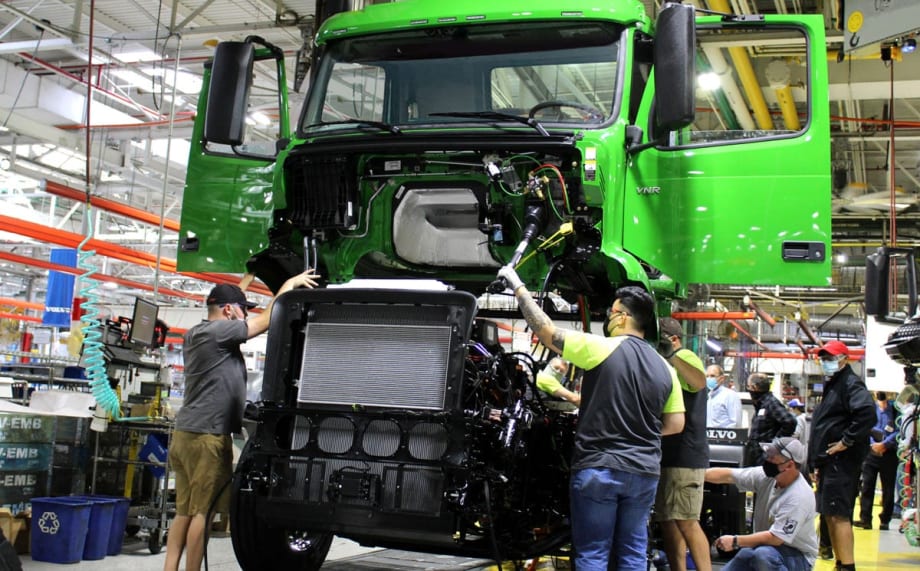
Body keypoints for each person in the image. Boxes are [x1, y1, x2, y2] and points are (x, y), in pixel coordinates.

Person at [497, 265, 685, 570]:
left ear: (623, 316)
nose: (609, 318)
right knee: (633, 554)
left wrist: (518, 287)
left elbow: (546, 331)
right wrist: (638, 430)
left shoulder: (600, 348)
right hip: (645, 473)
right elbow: (676, 424)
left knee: (593, 554)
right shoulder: (667, 369)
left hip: (600, 469)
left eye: (612, 312)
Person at [164, 270, 320, 571]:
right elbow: (262, 323)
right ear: (228, 310)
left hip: (185, 435)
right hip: (207, 437)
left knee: (184, 511)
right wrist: (287, 288)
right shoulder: (221, 333)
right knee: (203, 513)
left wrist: (246, 279)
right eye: (241, 309)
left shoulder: (195, 333)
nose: (243, 314)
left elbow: (230, 301)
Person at [807, 340, 875, 571]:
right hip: (829, 463)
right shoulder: (835, 384)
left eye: (830, 358)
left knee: (839, 515)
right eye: (823, 358)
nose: (825, 362)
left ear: (845, 359)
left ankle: (847, 566)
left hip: (841, 463)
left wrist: (846, 441)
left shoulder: (850, 383)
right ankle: (839, 562)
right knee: (829, 514)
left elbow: (866, 413)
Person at [706, 437, 818, 571]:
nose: (767, 460)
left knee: (763, 555)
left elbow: (776, 538)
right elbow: (729, 475)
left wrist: (735, 541)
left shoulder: (798, 496)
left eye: (772, 457)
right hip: (765, 547)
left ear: (789, 465)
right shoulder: (766, 477)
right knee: (748, 554)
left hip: (797, 556)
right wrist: (695, 475)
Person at [654, 317, 711, 571]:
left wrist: (673, 354)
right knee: (669, 521)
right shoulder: (664, 365)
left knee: (687, 520)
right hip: (668, 455)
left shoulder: (686, 356)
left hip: (685, 457)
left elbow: (699, 381)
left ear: (672, 339)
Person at [855, 391, 899, 531]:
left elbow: (899, 430)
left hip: (889, 453)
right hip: (871, 452)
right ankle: (865, 519)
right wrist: (873, 444)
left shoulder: (895, 409)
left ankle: (885, 520)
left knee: (888, 488)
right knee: (867, 486)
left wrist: (885, 444)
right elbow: (865, 427)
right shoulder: (870, 409)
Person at [745, 372, 796, 466]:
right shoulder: (761, 404)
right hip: (757, 456)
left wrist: (775, 444)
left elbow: (790, 422)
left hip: (766, 458)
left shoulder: (771, 403)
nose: (748, 389)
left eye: (748, 386)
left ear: (754, 387)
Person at [706, 364, 742, 428]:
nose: (709, 379)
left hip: (724, 436)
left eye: (712, 376)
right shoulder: (708, 397)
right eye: (707, 376)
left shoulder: (730, 396)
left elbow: (736, 423)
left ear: (722, 378)